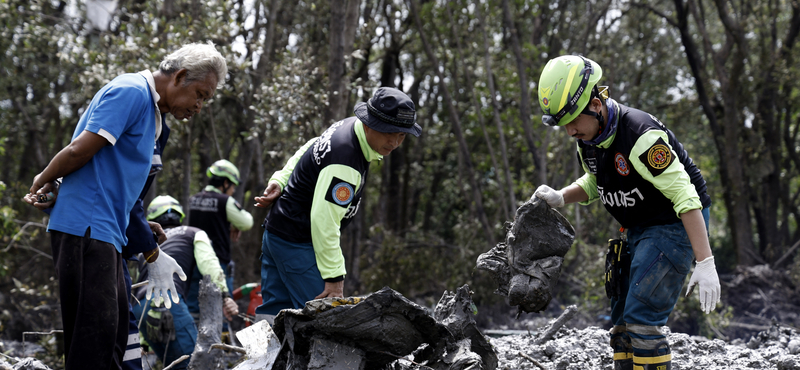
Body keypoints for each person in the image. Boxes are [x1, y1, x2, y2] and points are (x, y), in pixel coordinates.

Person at [24, 42, 227, 370]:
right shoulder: (132, 91)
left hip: (108, 233)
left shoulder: (155, 117)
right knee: (94, 343)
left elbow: (112, 176)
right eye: (200, 94)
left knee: (114, 339)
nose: (200, 106)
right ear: (180, 76)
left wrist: (143, 229)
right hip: (87, 227)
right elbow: (80, 150)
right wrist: (44, 178)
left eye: (206, 99)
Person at [533, 55, 721, 370]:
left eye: (573, 121)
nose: (569, 132)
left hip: (674, 224)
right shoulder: (589, 138)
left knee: (642, 318)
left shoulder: (640, 135)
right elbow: (598, 181)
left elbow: (686, 196)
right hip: (636, 228)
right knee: (621, 322)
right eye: (564, 124)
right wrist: (561, 197)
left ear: (595, 104)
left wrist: (705, 260)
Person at [252, 87, 422, 324]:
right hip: (298, 244)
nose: (394, 142)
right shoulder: (346, 165)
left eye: (402, 135)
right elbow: (324, 222)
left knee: (275, 314)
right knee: (323, 322)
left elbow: (312, 144)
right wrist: (334, 278)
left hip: (278, 232)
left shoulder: (349, 126)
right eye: (389, 133)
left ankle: (262, 360)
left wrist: (281, 178)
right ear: (370, 123)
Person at [133, 196, 239, 370]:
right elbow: (209, 264)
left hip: (140, 310)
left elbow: (141, 293)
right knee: (198, 365)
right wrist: (225, 295)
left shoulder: (145, 250)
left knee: (175, 365)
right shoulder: (193, 232)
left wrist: (144, 343)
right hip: (168, 303)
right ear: (179, 216)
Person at [186, 159, 253, 315]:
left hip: (194, 263)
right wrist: (236, 224)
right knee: (221, 309)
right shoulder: (225, 201)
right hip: (218, 263)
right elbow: (247, 222)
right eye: (233, 186)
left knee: (193, 308)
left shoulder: (194, 199)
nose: (233, 191)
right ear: (225, 182)